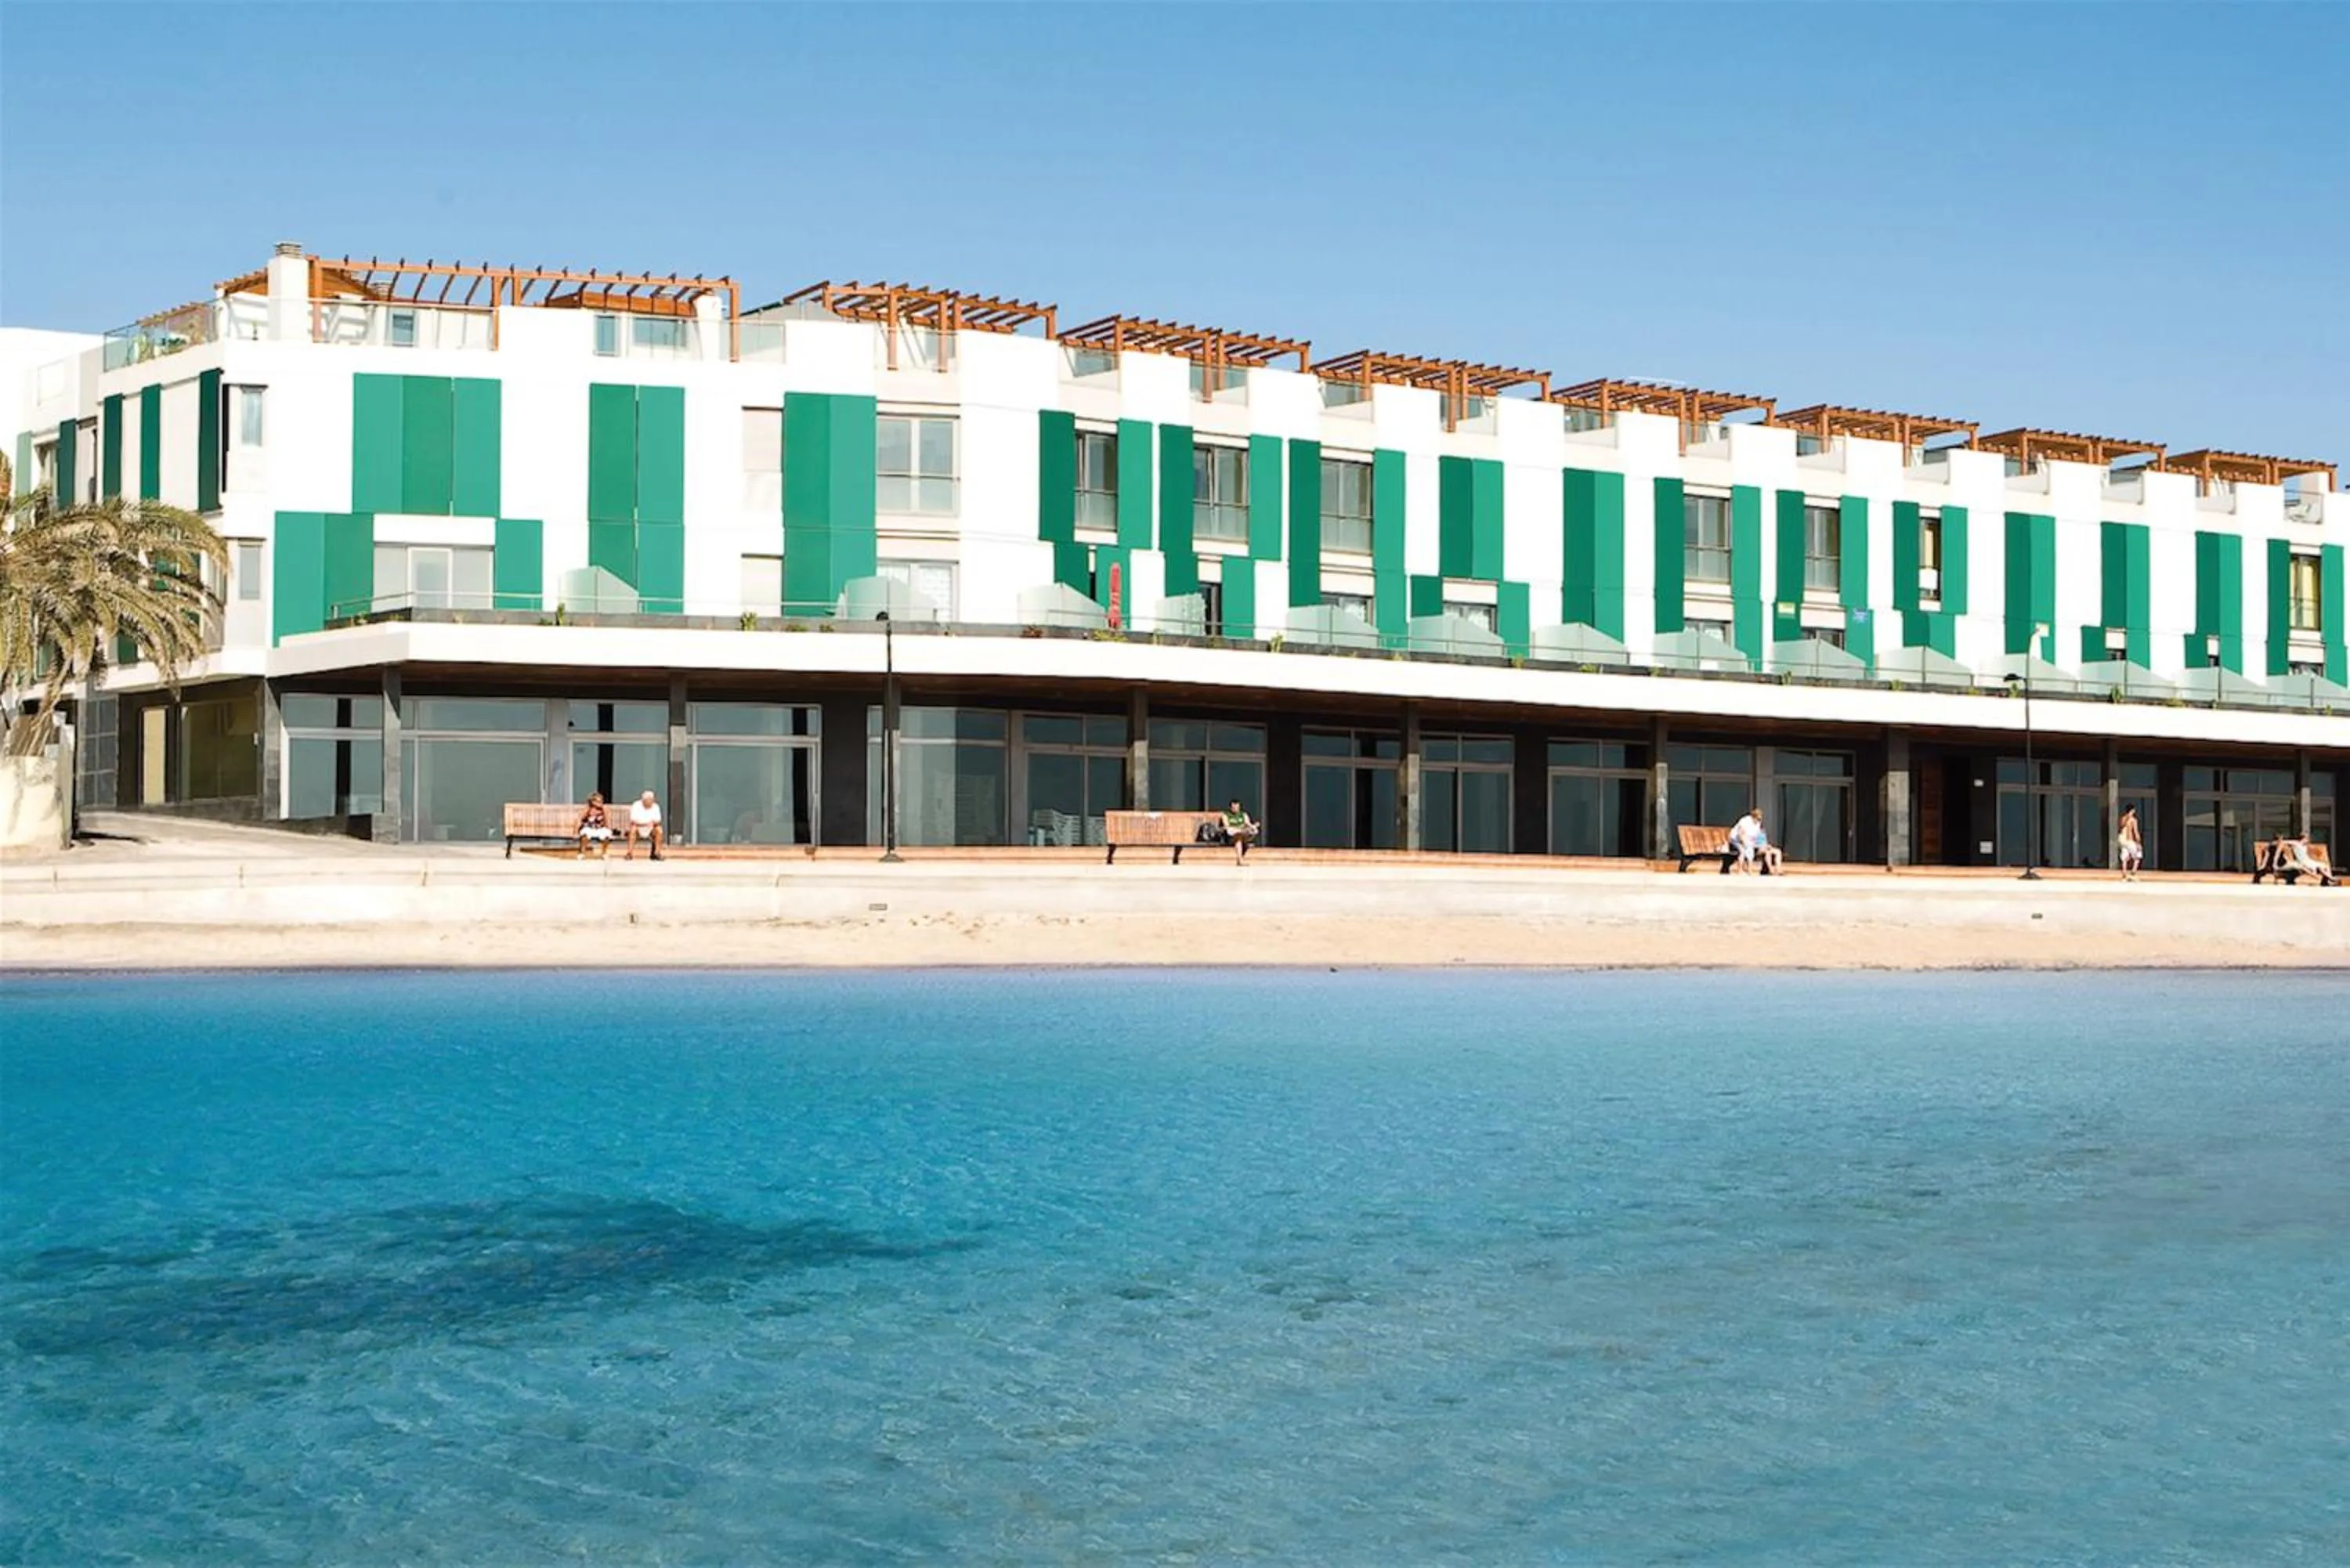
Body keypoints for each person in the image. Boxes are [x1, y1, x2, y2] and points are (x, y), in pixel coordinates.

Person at [1730, 806, 1782, 875]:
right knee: (1743, 851)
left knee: (1769, 851)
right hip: (1736, 839)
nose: (1758, 820)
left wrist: (1764, 845)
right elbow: (1741, 834)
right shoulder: (1745, 821)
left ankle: (1777, 870)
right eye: (1757, 819)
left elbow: (1757, 837)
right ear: (1753, 817)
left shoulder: (1758, 824)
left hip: (1750, 841)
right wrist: (1744, 843)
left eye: (1760, 819)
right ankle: (1740, 871)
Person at [624, 789, 665, 861]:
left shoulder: (656, 806)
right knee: (633, 829)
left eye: (651, 800)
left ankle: (657, 853)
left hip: (651, 828)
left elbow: (658, 820)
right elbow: (633, 819)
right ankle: (629, 853)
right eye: (648, 800)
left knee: (659, 830)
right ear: (644, 800)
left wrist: (649, 823)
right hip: (638, 827)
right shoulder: (636, 805)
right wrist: (647, 823)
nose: (650, 801)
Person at [1220, 798, 1259, 865]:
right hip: (1231, 836)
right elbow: (1227, 826)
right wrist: (1239, 827)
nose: (1236, 809)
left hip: (1243, 834)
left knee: (1244, 835)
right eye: (1234, 807)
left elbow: (1248, 823)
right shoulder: (1226, 815)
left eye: (1237, 807)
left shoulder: (1243, 814)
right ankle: (1240, 861)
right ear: (1230, 808)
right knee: (1238, 837)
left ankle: (1240, 860)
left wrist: (1253, 826)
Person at [576, 792, 613, 860]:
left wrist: (609, 830)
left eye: (601, 801)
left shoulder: (604, 809)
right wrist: (575, 831)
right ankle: (582, 853)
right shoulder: (587, 809)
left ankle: (604, 853)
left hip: (600, 828)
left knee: (606, 834)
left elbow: (608, 821)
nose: (600, 803)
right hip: (588, 827)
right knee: (585, 834)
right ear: (593, 802)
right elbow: (579, 820)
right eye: (598, 801)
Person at [2117, 806, 2143, 881]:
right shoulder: (2133, 820)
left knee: (2124, 857)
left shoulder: (2123, 819)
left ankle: (2124, 875)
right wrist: (2138, 843)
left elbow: (2120, 828)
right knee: (2138, 856)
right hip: (2129, 840)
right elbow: (2135, 832)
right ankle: (2133, 873)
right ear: (2132, 810)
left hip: (2122, 840)